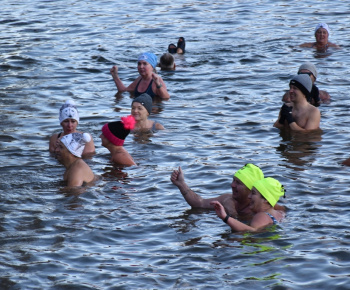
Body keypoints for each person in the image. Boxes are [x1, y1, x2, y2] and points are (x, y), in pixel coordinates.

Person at [171, 163, 285, 219]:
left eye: (238, 183)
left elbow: (283, 215)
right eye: (233, 180)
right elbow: (199, 203)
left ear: (251, 189)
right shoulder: (226, 200)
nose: (232, 185)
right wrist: (181, 185)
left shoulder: (266, 207)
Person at [211, 177, 285, 232]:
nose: (249, 197)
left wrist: (225, 217)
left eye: (253, 193)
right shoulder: (280, 213)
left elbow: (252, 231)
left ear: (266, 199)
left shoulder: (262, 215)